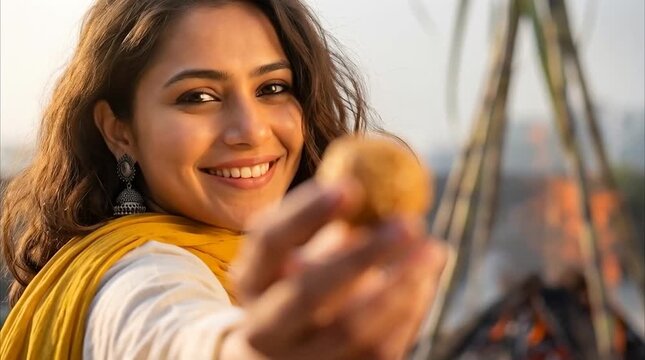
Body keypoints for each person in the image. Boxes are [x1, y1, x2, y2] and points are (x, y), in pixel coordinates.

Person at [0, 0, 447, 358]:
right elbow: (170, 333)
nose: (251, 131)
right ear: (121, 131)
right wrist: (247, 349)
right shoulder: (137, 272)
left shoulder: (307, 263)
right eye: (197, 97)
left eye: (272, 88)